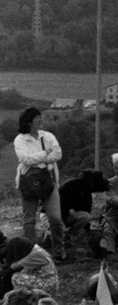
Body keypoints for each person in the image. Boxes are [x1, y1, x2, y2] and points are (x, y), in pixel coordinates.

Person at [13, 108, 65, 261]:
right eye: (38, 118)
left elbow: (58, 154)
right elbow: (25, 160)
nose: (41, 120)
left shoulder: (48, 136)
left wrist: (38, 159)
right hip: (28, 183)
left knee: (55, 218)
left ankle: (59, 252)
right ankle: (32, 255)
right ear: (29, 122)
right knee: (29, 219)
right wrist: (44, 154)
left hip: (49, 181)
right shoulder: (20, 140)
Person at [59, 169, 109, 239]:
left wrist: (86, 229)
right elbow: (60, 202)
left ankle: (71, 235)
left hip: (71, 217)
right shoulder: (70, 185)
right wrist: (68, 209)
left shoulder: (87, 193)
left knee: (86, 216)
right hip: (59, 215)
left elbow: (86, 211)